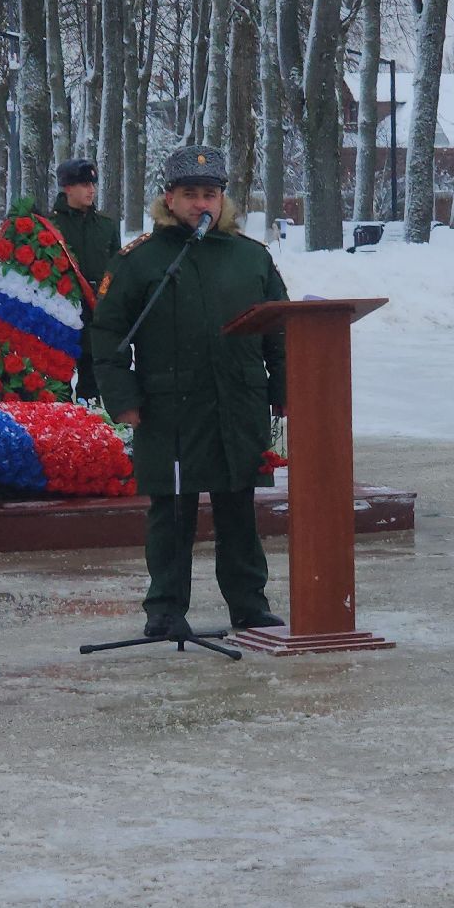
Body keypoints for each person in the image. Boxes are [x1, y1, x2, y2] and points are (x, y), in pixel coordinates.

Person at [89, 145, 289, 637]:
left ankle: (248, 603)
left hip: (237, 404)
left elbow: (281, 332)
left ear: (223, 200)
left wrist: (284, 391)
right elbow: (109, 332)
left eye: (211, 194)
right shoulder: (143, 259)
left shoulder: (251, 258)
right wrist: (124, 398)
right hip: (169, 407)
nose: (202, 204)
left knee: (238, 508)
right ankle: (165, 609)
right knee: (172, 511)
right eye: (190, 194)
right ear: (169, 199)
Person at [47, 158, 120, 400]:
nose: (91, 190)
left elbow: (114, 269)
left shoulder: (106, 226)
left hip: (95, 315)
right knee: (59, 392)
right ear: (67, 188)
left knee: (92, 391)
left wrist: (104, 294)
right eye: (84, 184)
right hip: (60, 316)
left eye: (93, 184)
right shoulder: (49, 225)